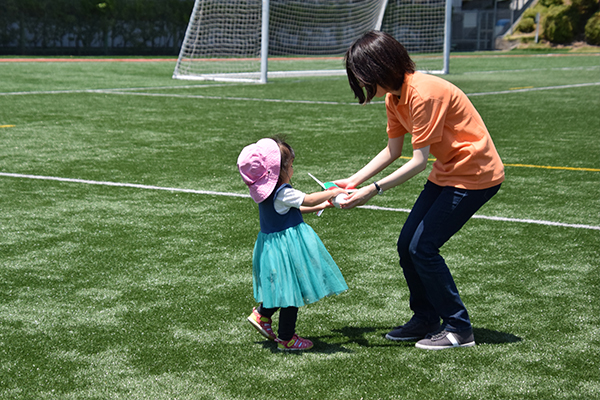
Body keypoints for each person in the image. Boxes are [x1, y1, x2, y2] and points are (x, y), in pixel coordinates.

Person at [336, 31, 505, 350]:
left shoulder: (423, 93)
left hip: (476, 174)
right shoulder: (393, 98)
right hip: (449, 171)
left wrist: (371, 190)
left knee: (423, 248)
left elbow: (417, 162)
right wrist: (352, 180)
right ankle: (426, 318)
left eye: (362, 76)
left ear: (379, 68)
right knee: (407, 246)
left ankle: (458, 328)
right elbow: (392, 150)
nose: (362, 84)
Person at [237, 136, 349, 351]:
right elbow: (306, 200)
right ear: (281, 170)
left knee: (281, 287)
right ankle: (287, 337)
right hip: (287, 248)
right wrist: (333, 192)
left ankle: (262, 314)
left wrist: (325, 204)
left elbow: (295, 208)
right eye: (291, 166)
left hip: (273, 248)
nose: (293, 170)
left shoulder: (269, 194)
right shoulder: (283, 192)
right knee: (291, 291)